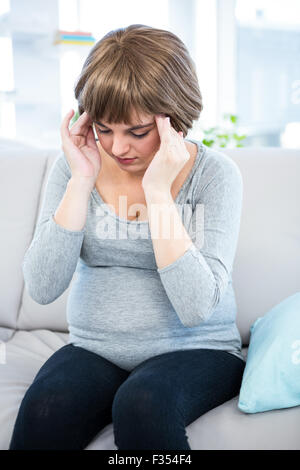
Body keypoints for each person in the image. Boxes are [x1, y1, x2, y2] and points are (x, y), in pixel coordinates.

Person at [9, 24, 246, 451]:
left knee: (143, 404)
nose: (118, 148)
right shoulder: (76, 166)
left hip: (199, 350)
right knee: (46, 409)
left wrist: (158, 193)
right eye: (104, 129)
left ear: (174, 118)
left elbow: (196, 308)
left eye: (137, 132)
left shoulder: (215, 175)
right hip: (95, 348)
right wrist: (81, 180)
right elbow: (43, 287)